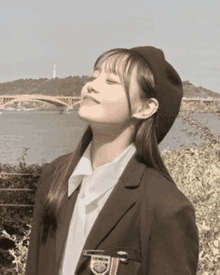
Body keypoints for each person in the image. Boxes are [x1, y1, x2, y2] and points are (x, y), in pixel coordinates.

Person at [25, 46, 199, 275]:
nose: (91, 86)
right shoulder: (55, 177)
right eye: (92, 77)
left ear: (146, 107)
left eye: (111, 81)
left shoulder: (165, 206)